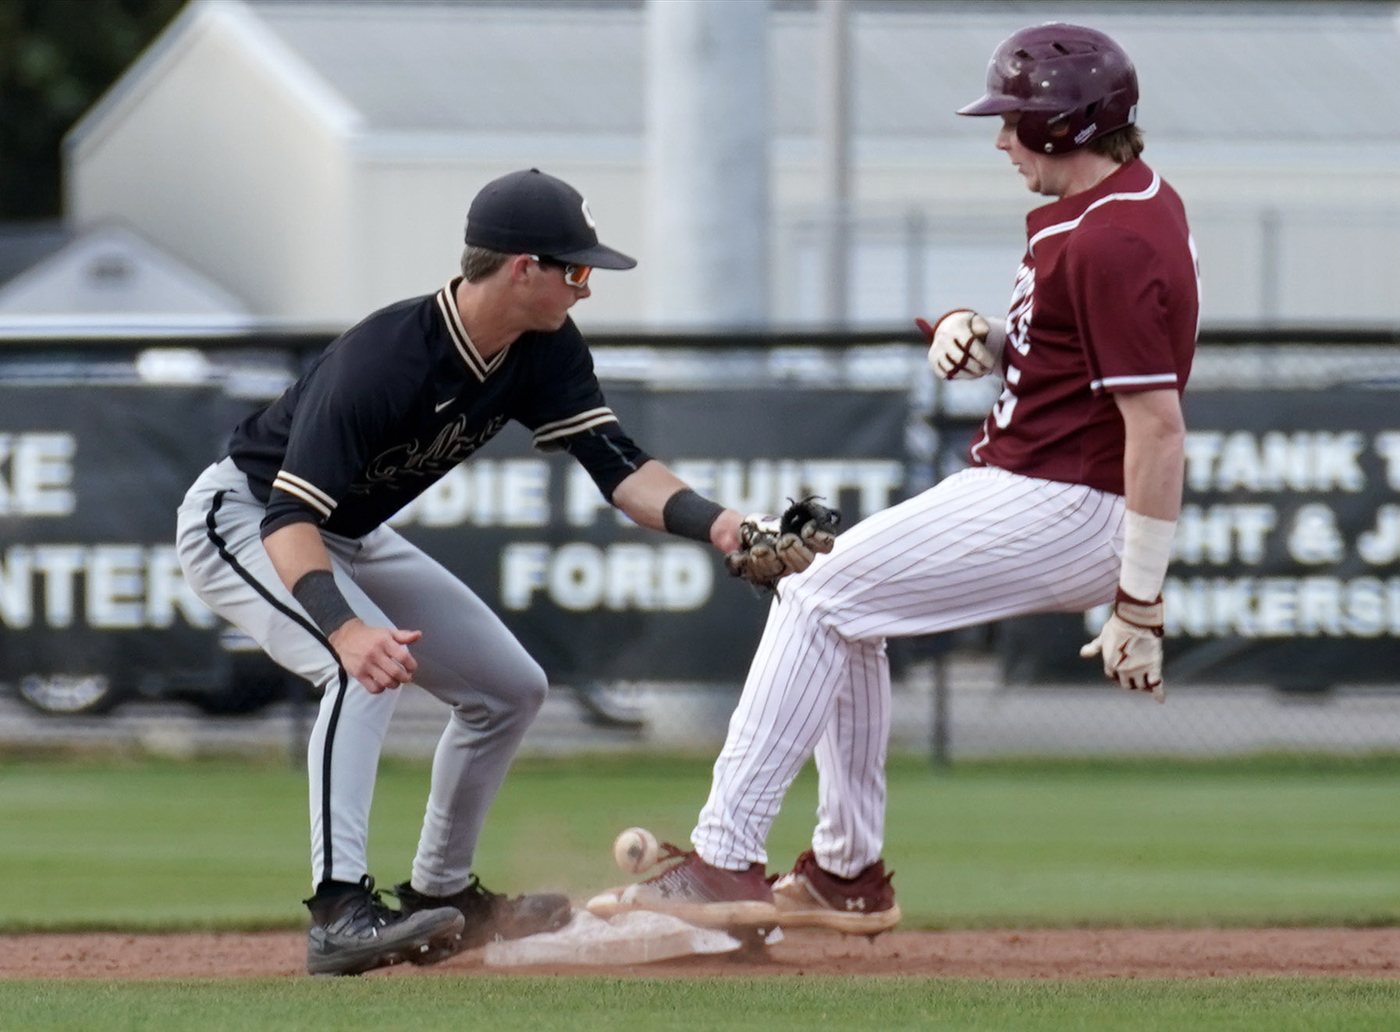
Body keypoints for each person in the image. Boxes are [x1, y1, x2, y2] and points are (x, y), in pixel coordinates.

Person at [589, 23, 1199, 936]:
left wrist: (1138, 602)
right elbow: (1081, 356)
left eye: (1014, 120)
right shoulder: (1120, 207)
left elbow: (1157, 426)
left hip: (1071, 500)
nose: (1000, 138)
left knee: (814, 593)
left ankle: (725, 859)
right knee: (848, 616)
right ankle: (845, 873)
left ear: (1067, 125)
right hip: (1047, 483)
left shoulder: (1108, 237)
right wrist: (986, 337)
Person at [176, 168, 755, 976]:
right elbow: (287, 519)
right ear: (524, 267)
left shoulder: (541, 349)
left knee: (510, 688)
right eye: (576, 269)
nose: (586, 288)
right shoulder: (383, 359)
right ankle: (338, 912)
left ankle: (436, 899)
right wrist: (345, 630)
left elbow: (620, 468)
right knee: (362, 672)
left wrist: (726, 526)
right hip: (248, 516)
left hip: (345, 529)